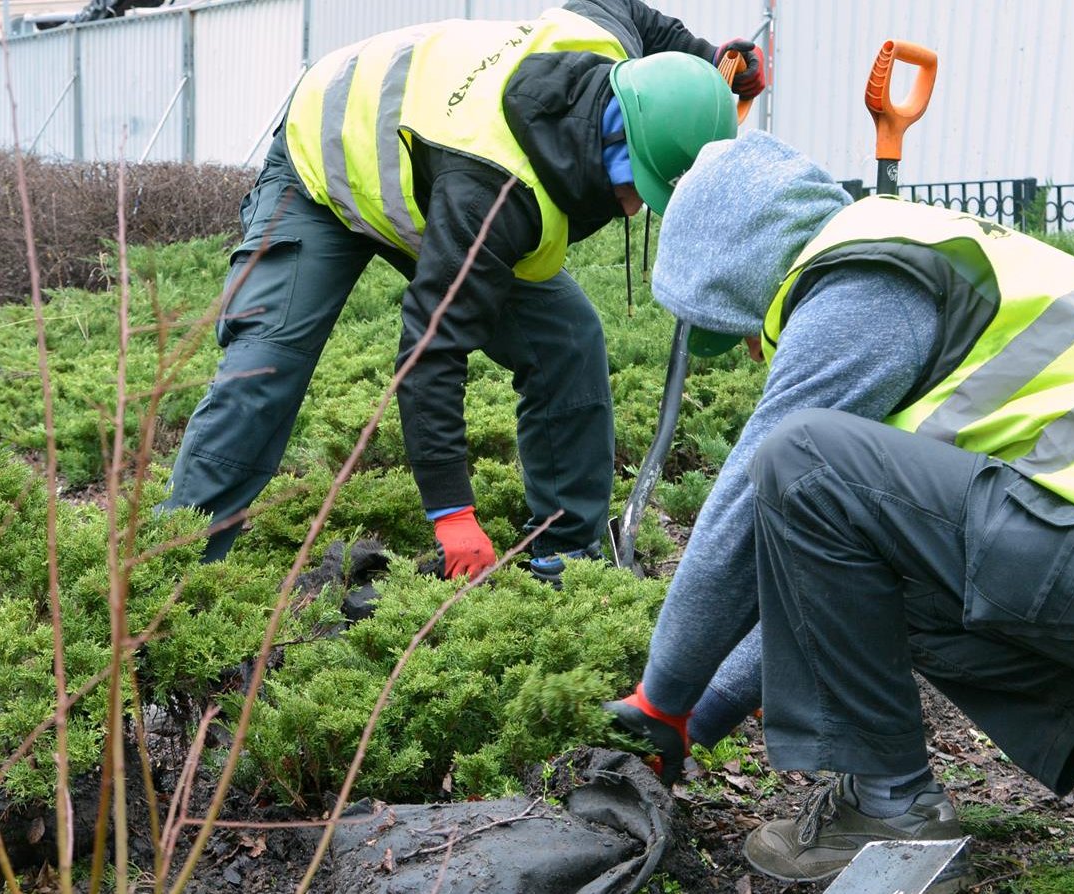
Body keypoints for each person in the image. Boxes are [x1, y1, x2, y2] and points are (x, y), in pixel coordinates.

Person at [604, 132, 1074, 882]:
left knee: (798, 453)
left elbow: (753, 498)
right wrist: (705, 714)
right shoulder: (926, 253)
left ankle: (886, 809)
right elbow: (830, 582)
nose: (760, 354)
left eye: (747, 329)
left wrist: (662, 700)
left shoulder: (864, 291)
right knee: (876, 547)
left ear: (744, 263)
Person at [162, 1, 759, 582]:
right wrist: (452, 514)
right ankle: (172, 582)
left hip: (430, 179)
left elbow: (625, 5)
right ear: (617, 149)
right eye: (642, 187)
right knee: (267, 365)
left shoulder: (603, 43)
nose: (636, 209)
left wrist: (708, 61)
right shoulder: (495, 195)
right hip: (324, 158)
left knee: (567, 341)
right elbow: (430, 350)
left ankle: (566, 558)